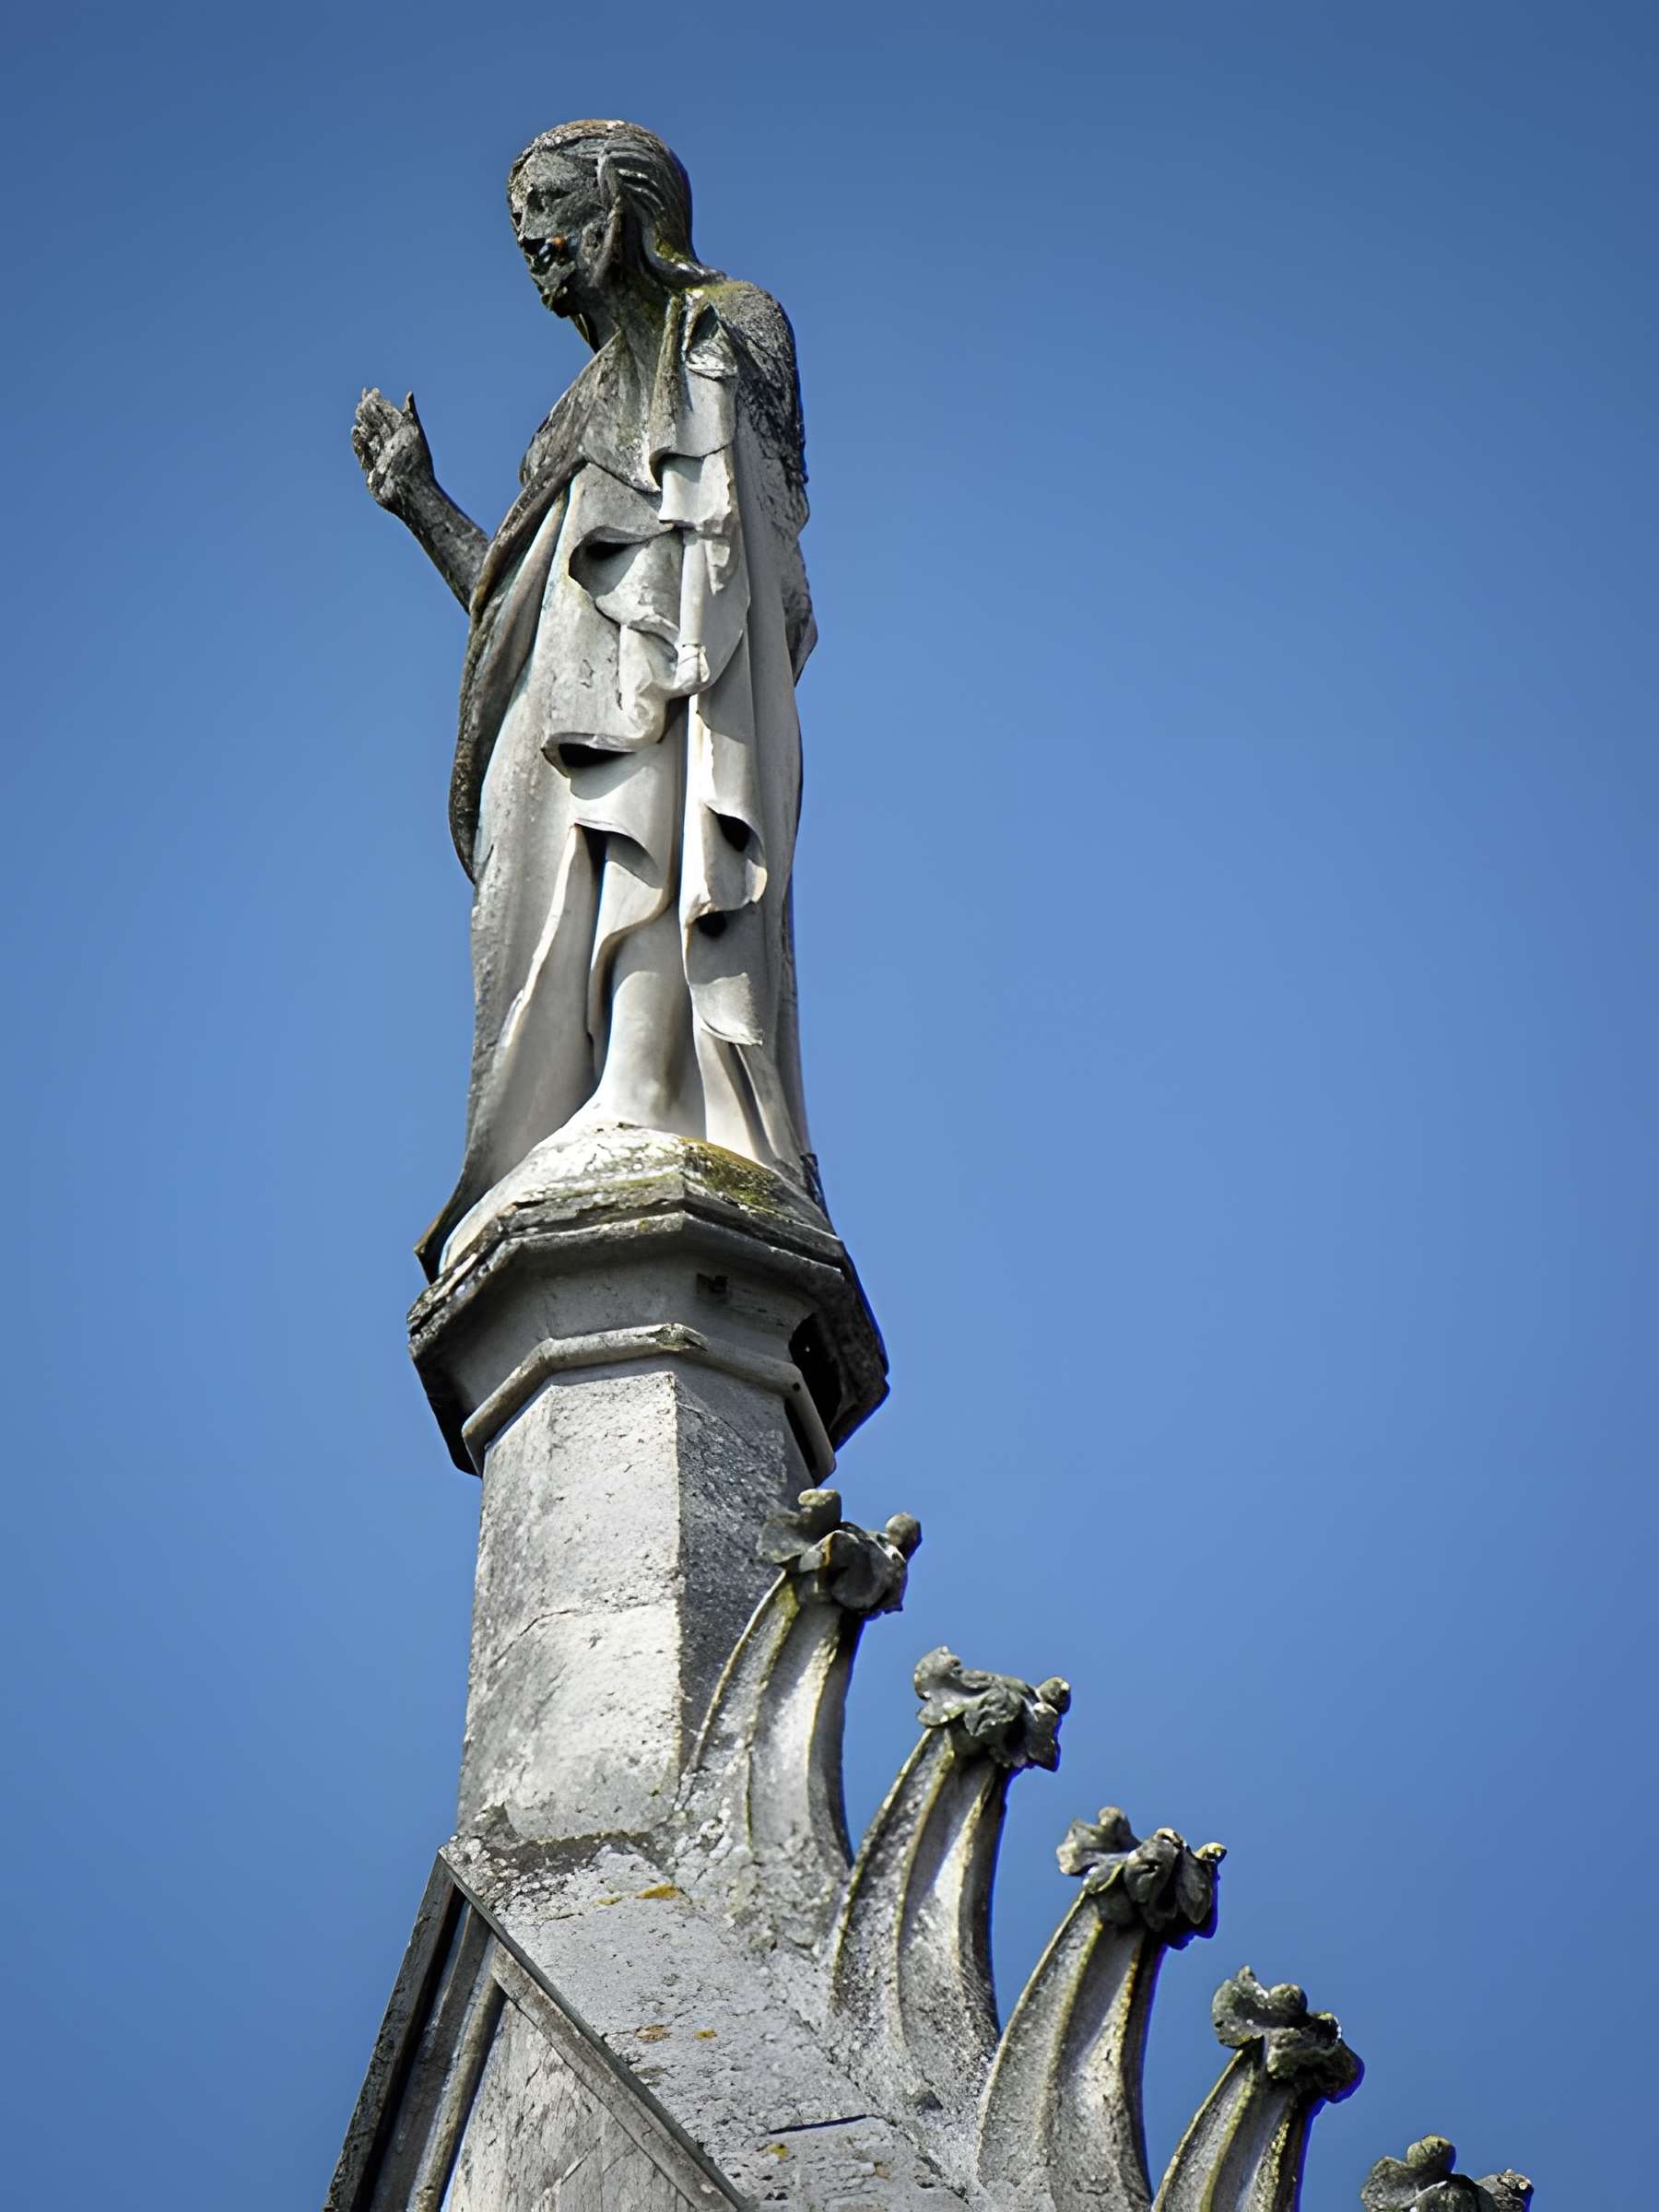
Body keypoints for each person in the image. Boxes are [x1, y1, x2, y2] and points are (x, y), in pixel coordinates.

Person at [351, 120, 820, 1277]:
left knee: (662, 861)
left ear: (622, 207)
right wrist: (418, 497)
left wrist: (688, 390)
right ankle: (580, 1101)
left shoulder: (728, 322)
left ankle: (648, 1087)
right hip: (555, 709)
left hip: (682, 677)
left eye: (551, 206)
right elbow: (511, 600)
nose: (530, 238)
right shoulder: (565, 419)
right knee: (552, 903)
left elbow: (757, 516)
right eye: (519, 223)